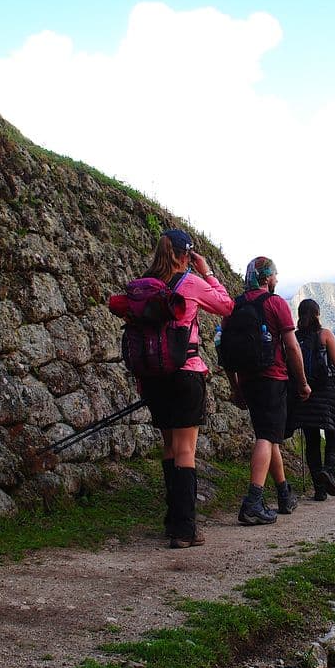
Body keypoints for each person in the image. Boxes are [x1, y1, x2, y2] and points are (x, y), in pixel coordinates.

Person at [136, 229, 233, 548]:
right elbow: (226, 306)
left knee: (169, 448)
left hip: (154, 377)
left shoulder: (147, 285)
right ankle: (185, 529)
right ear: (186, 255)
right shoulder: (190, 283)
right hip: (185, 374)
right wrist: (208, 272)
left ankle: (173, 521)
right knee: (186, 451)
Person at [226, 257, 310, 524]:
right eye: (275, 275)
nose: (277, 280)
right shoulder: (276, 303)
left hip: (247, 380)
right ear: (266, 278)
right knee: (266, 437)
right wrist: (302, 382)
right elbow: (292, 347)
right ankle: (253, 502)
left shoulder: (234, 306)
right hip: (272, 378)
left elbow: (224, 350)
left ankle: (284, 494)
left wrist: (235, 386)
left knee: (270, 436)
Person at [287, 299, 335, 500]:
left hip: (304, 393)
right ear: (317, 314)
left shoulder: (294, 337)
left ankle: (319, 490)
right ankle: (328, 469)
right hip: (327, 393)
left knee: (311, 441)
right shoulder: (325, 334)